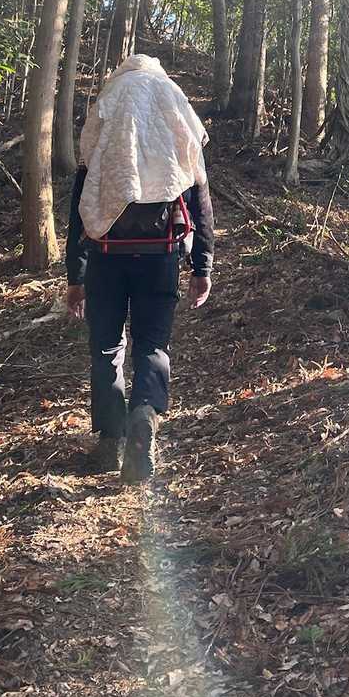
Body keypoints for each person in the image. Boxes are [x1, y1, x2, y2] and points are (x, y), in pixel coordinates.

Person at [65, 54, 214, 482]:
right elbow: (198, 194)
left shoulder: (109, 102)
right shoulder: (174, 102)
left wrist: (75, 276)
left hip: (106, 254)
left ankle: (109, 440)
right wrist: (201, 266)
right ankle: (145, 413)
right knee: (152, 343)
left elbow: (82, 199)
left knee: (106, 346)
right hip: (159, 253)